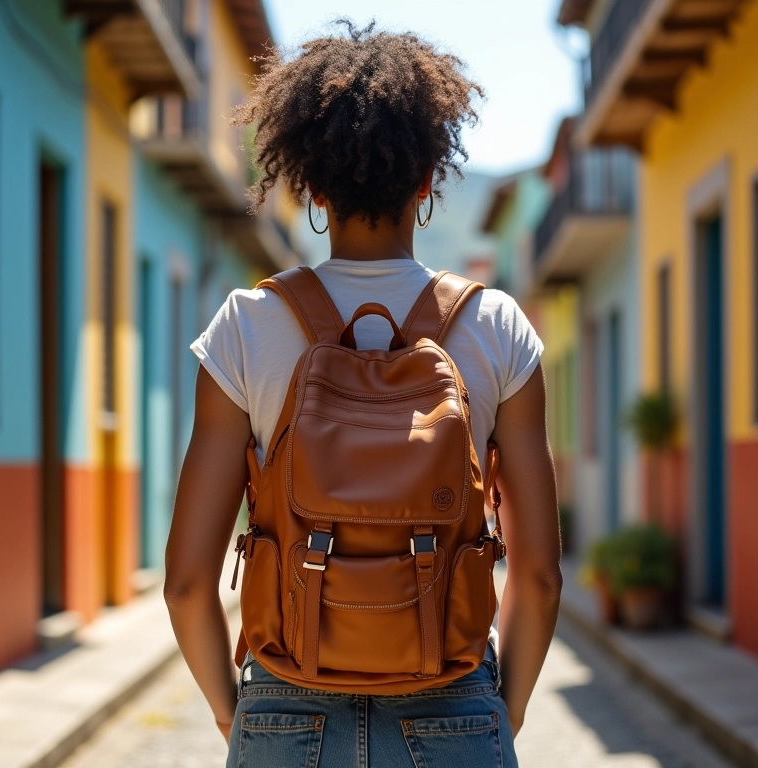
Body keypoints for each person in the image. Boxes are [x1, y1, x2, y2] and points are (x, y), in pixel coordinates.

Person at [164, 20, 562, 768]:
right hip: (454, 702)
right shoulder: (498, 327)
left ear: (311, 185)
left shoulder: (246, 326)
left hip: (284, 705)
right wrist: (495, 720)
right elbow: (538, 577)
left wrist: (234, 717)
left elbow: (187, 584)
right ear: (428, 180)